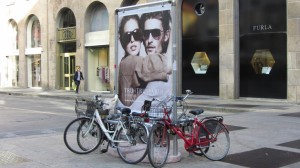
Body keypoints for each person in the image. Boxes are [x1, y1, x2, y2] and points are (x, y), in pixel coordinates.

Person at [118, 14, 169, 107]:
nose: (132, 40)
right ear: (121, 39)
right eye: (127, 36)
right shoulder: (128, 62)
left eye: (137, 34)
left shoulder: (142, 63)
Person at [130, 10, 172, 111]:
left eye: (155, 33)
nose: (149, 40)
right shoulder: (151, 67)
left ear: (166, 35)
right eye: (145, 33)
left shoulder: (158, 76)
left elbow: (136, 109)